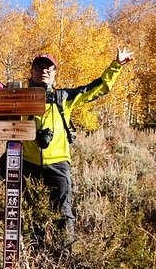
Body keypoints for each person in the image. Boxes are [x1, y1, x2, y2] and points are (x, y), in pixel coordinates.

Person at [22, 47, 133, 236]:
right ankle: (34, 253)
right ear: (31, 72)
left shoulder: (63, 97)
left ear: (55, 74)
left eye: (49, 68)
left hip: (58, 163)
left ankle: (64, 256)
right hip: (27, 162)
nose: (44, 71)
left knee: (63, 214)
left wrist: (116, 66)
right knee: (30, 212)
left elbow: (97, 88)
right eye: (39, 67)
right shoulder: (19, 98)